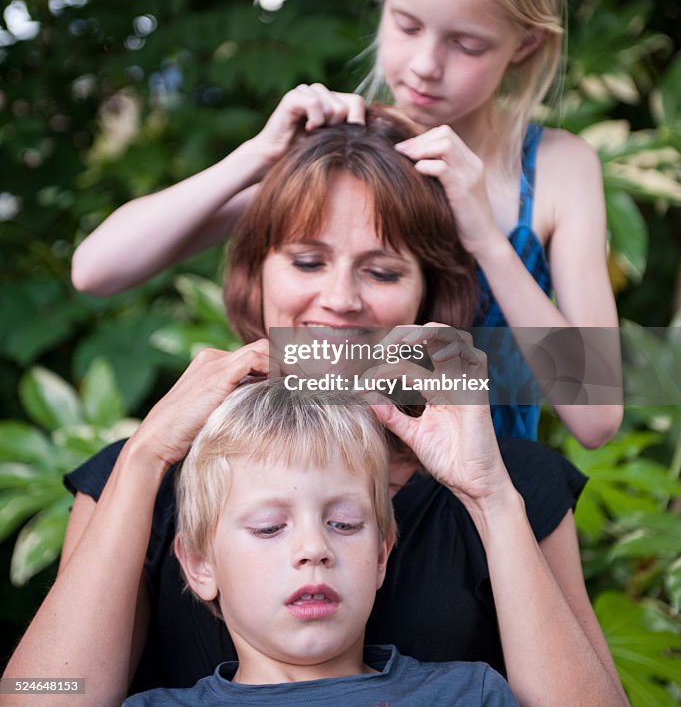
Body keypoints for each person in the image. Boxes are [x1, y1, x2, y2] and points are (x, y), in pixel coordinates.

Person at [5, 113, 627, 707]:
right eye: (307, 262)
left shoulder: (513, 481)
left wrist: (491, 498)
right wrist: (146, 456)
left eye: (381, 272)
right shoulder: (142, 475)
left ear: (427, 295)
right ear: (257, 276)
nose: (339, 299)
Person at [70, 0, 621, 447]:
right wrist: (255, 157)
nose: (425, 65)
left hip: (487, 510)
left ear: (526, 43)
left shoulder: (559, 168)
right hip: (321, 496)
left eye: (466, 44)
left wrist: (486, 234)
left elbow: (596, 417)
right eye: (407, 24)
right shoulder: (340, 149)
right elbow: (96, 270)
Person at [122, 379, 518, 706]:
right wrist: (142, 455)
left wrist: (492, 496)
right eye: (269, 527)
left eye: (343, 524)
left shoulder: (466, 695)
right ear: (200, 564)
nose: (314, 548)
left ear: (381, 556)